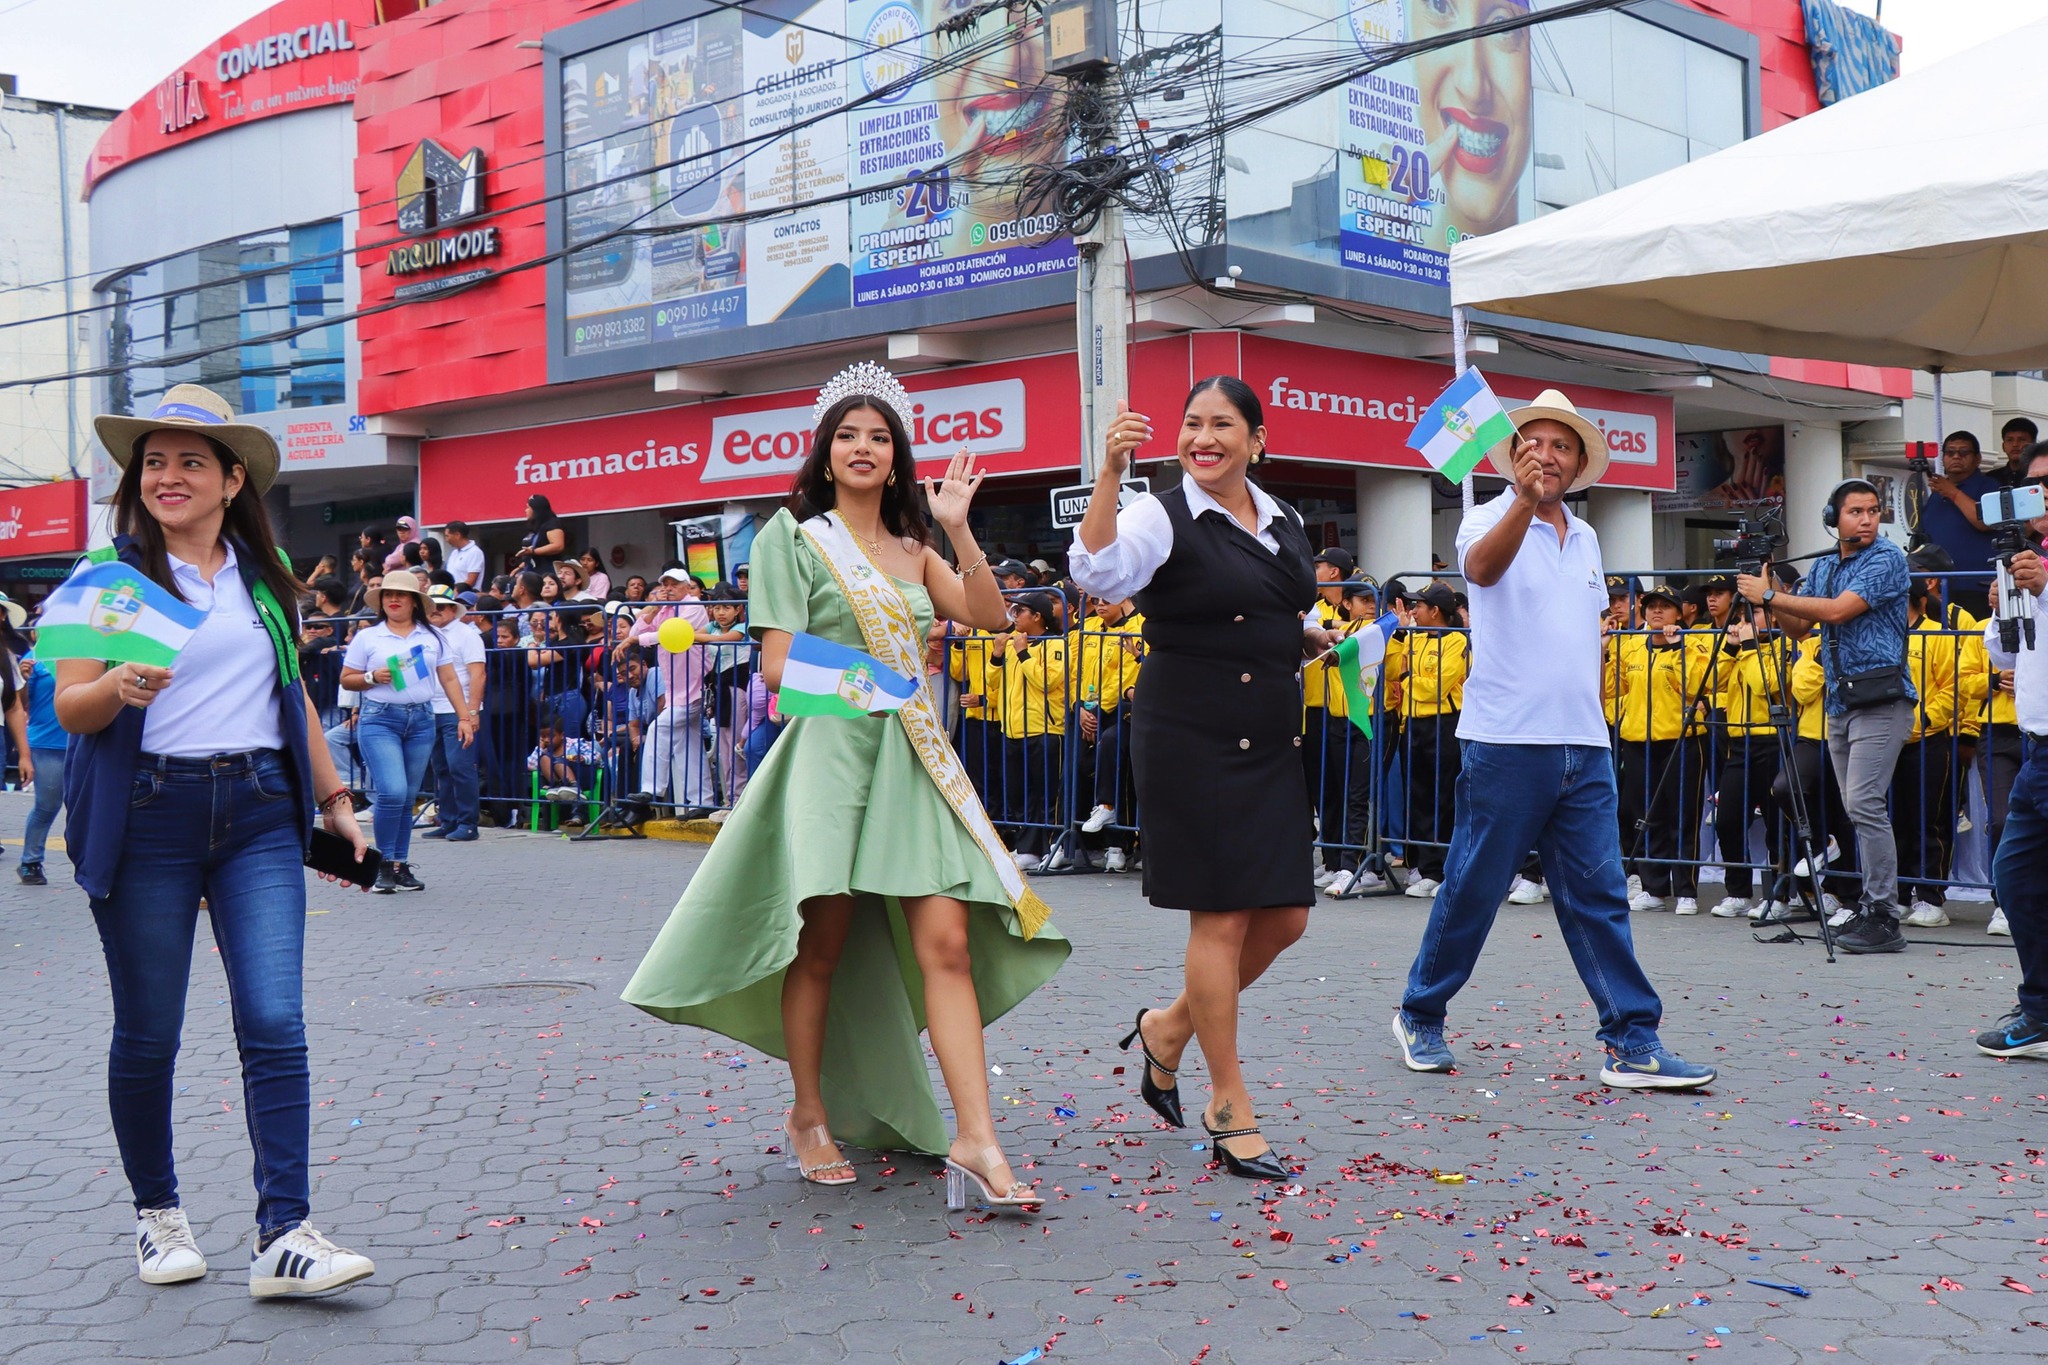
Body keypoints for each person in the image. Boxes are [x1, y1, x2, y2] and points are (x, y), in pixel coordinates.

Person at [623, 363, 1069, 1210]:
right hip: (831, 758)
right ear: (825, 451)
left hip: (911, 763)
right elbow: (780, 667)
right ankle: (809, 1112)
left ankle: (977, 1138)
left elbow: (987, 616)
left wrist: (958, 528)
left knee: (947, 943)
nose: (863, 447)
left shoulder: (916, 549)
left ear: (898, 457)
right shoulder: (790, 540)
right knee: (819, 946)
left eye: (879, 437)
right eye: (848, 435)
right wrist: (882, 685)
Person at [60, 383, 375, 1296]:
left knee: (275, 1021)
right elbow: (72, 706)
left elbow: (292, 693)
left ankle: (286, 1234)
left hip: (259, 812)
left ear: (233, 480)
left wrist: (334, 796)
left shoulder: (262, 577)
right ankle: (158, 1215)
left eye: (191, 461)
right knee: (149, 1031)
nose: (168, 476)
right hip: (148, 815)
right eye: (154, 461)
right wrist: (116, 684)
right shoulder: (107, 578)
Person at [1394, 389, 1716, 1090]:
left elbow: (1586, 636)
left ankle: (1632, 1039)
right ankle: (1421, 1012)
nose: (1547, 455)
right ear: (1512, 456)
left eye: (1561, 446)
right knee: (1474, 886)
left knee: (1599, 895)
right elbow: (1482, 571)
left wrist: (1594, 722)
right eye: (1534, 443)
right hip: (1506, 741)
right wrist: (1521, 499)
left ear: (1577, 464)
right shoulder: (1485, 517)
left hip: (1584, 743)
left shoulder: (1589, 536)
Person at [1071, 377, 1328, 1179]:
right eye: (1191, 423)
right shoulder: (1160, 514)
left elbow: (1273, 602)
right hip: (1190, 734)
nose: (1202, 438)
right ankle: (1228, 1102)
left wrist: (1305, 633)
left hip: (1269, 737)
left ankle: (1167, 1027)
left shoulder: (1282, 517)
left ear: (1256, 439)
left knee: (1286, 916)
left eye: (1221, 424)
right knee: (1220, 920)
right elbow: (1098, 573)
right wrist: (1110, 473)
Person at [1738, 478, 1916, 954]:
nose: (1867, 519)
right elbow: (1799, 628)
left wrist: (1769, 597)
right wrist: (1772, 584)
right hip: (1840, 702)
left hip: (1882, 699)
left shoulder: (1886, 558)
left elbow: (1837, 611)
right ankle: (1868, 907)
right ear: (1833, 519)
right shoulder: (1823, 565)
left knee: (1864, 804)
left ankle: (1884, 914)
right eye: (1856, 511)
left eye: (1873, 510)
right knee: (1856, 807)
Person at [1977, 442, 2048, 1054]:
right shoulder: (2024, 559)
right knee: (2016, 877)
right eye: (2034, 483)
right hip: (2035, 748)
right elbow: (2006, 653)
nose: (2041, 493)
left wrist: (2044, 590)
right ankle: (2041, 1009)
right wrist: (2002, 608)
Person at [340, 569, 475, 893]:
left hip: (422, 719)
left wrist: (464, 716)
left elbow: (449, 678)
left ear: (415, 601)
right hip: (380, 718)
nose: (393, 599)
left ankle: (398, 864)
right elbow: (346, 678)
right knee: (392, 791)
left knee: (406, 797)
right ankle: (383, 864)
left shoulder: (432, 637)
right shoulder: (368, 637)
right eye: (388, 594)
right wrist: (372, 677)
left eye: (400, 595)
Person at [1607, 583, 1716, 915]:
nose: (1657, 611)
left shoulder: (1693, 643)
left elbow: (1698, 687)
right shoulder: (1631, 647)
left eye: (1665, 606)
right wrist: (1624, 713)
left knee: (1683, 816)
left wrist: (1677, 647)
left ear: (1678, 614)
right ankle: (1653, 888)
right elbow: (1612, 689)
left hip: (1681, 740)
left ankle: (1686, 890)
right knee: (1646, 816)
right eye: (1652, 606)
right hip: (1638, 740)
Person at [1706, 606, 1792, 919]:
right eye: (1741, 616)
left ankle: (1780, 896)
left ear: (1773, 616)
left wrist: (1748, 647)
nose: (1744, 622)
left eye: (1752, 614)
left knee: (1776, 823)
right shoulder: (1740, 647)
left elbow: (1766, 685)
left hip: (1773, 741)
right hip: (1739, 742)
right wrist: (1730, 649)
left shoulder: (1785, 645)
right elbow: (1711, 682)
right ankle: (1738, 892)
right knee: (1727, 820)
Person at [1391, 582, 1469, 899]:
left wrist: (1409, 679)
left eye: (1419, 606)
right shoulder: (1414, 637)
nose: (1413, 611)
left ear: (1435, 611)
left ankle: (1447, 870)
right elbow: (1392, 671)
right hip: (1414, 724)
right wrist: (1399, 635)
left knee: (1444, 798)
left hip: (1444, 724)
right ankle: (1427, 870)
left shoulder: (1456, 640)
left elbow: (1437, 687)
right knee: (1419, 797)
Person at [1891, 581, 1960, 927]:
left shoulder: (1938, 634)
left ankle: (1931, 897)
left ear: (1918, 601)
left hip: (1928, 739)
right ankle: (1900, 895)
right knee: (1896, 822)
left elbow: (1953, 687)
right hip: (1890, 740)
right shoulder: (1885, 633)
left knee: (1927, 822)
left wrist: (1926, 718)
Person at [985, 589, 1067, 869]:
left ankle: (1051, 846)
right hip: (1012, 729)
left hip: (1044, 729)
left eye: (1020, 611)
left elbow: (1047, 681)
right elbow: (992, 682)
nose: (1015, 616)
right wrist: (997, 655)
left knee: (1046, 793)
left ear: (1037, 616)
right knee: (1019, 794)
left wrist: (1023, 653)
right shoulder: (1011, 644)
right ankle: (1027, 847)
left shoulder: (1054, 644)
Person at [1071, 595, 1145, 873]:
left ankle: (1119, 845)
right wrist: (1080, 707)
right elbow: (1076, 673)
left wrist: (1100, 710)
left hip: (1120, 711)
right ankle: (1071, 845)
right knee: (1078, 771)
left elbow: (1125, 677)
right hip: (1090, 712)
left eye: (1107, 599)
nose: (1100, 604)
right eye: (1095, 599)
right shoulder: (1090, 627)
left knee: (1123, 775)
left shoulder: (1138, 626)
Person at [1302, 548, 1355, 887]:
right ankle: (1331, 857)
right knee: (1321, 787)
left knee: (1343, 787)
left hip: (1341, 707)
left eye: (1319, 565)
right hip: (1313, 706)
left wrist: (1332, 625)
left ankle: (1348, 859)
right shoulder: (1317, 606)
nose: (1315, 570)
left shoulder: (1351, 603)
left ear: (1334, 571)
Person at [420, 585, 487, 843]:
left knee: (460, 766)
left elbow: (478, 674)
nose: (435, 611)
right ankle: (448, 820)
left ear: (452, 609)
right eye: (431, 606)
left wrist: (471, 711)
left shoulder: (467, 635)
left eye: (441, 606)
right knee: (441, 767)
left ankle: (468, 823)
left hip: (456, 711)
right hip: (432, 708)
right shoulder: (425, 634)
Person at [1921, 431, 2001, 619]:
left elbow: (1985, 522)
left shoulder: (1990, 486)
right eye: (1950, 453)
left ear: (1977, 458)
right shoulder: (1937, 492)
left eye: (1963, 452)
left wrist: (1953, 492)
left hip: (1978, 586)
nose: (1956, 457)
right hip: (1940, 587)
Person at [17, 616, 62, 887]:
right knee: (47, 806)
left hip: (84, 742)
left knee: (85, 810)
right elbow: (22, 705)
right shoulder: (34, 659)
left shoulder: (86, 654)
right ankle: (30, 862)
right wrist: (24, 680)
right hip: (46, 744)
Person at [512, 494, 567, 576]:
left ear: (536, 509)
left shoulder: (552, 523)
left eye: (528, 507)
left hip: (546, 572)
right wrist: (520, 568)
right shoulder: (537, 527)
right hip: (532, 570)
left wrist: (533, 551)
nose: (525, 510)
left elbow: (558, 546)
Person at [443, 521, 485, 591]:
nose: (446, 540)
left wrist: (457, 591)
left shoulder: (474, 552)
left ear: (457, 535)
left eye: (447, 536)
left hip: (466, 594)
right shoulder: (454, 553)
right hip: (451, 593)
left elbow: (471, 580)